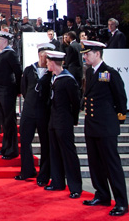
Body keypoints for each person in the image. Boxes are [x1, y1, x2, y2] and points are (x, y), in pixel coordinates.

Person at [81, 40, 129, 217]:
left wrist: (118, 119)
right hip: (92, 126)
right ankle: (101, 194)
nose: (85, 56)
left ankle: (122, 202)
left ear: (98, 54)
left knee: (112, 165)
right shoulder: (91, 73)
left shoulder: (110, 73)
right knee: (95, 164)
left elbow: (120, 99)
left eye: (87, 53)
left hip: (106, 126)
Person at [44, 50, 82, 199]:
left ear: (53, 63)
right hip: (53, 120)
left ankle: (75, 187)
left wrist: (72, 119)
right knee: (54, 152)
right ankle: (57, 181)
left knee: (68, 154)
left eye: (48, 62)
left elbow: (75, 102)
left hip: (64, 121)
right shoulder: (54, 78)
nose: (46, 64)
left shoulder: (68, 80)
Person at [16, 43, 53, 185]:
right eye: (44, 56)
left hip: (45, 112)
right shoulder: (29, 70)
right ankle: (27, 171)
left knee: (46, 143)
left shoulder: (51, 73)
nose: (46, 59)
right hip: (29, 110)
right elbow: (24, 89)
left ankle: (44, 175)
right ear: (39, 55)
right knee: (25, 141)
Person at [0, 31, 21, 160]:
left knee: (9, 121)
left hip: (7, 90)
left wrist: (19, 89)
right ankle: (5, 147)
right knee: (4, 121)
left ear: (5, 41)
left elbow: (18, 72)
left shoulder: (10, 54)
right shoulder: (0, 54)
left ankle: (12, 149)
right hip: (0, 90)